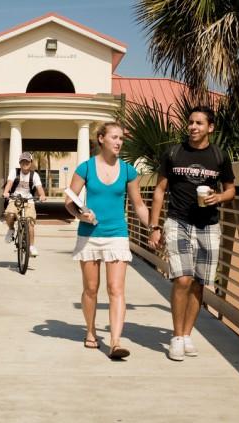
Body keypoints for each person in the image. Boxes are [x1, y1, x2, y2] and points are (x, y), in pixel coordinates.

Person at [148, 106, 235, 361]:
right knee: (183, 278)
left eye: (199, 123)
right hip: (178, 221)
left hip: (208, 224)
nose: (193, 127)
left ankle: (187, 335)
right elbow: (159, 191)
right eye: (190, 123)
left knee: (198, 282)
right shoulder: (174, 153)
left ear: (210, 127)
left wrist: (219, 197)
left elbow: (231, 190)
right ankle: (176, 337)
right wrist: (154, 227)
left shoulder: (219, 156)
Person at [65, 122, 149, 360]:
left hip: (117, 235)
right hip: (89, 235)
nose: (119, 142)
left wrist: (152, 227)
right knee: (91, 289)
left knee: (116, 289)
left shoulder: (128, 171)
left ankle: (115, 341)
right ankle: (90, 332)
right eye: (114, 137)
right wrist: (80, 214)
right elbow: (70, 201)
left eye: (121, 138)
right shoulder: (86, 168)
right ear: (101, 139)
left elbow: (139, 205)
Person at [2, 152, 46, 257]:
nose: (25, 163)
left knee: (30, 222)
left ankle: (31, 246)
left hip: (29, 201)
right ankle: (11, 229)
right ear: (20, 163)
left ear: (30, 163)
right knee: (9, 214)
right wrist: (6, 192)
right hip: (15, 199)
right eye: (22, 161)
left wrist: (42, 195)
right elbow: (9, 183)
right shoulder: (14, 172)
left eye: (27, 161)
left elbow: (39, 188)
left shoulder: (34, 175)